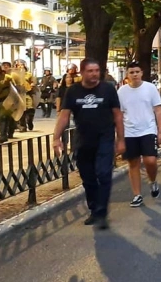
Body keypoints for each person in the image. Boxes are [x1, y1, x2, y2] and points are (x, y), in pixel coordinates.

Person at [53, 59, 124, 229]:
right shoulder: (73, 91)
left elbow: (117, 115)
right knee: (88, 178)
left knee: (103, 173)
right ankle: (94, 209)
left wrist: (121, 139)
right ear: (82, 72)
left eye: (97, 70)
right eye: (90, 71)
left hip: (105, 138)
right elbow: (64, 116)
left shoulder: (108, 89)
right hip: (83, 140)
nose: (94, 74)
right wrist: (56, 138)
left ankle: (101, 213)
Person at [117, 61, 161, 207]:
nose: (135, 74)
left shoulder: (150, 88)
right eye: (131, 72)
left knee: (150, 161)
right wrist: (119, 137)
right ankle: (137, 195)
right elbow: (119, 114)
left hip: (148, 130)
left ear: (142, 73)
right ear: (127, 75)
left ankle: (153, 180)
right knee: (133, 163)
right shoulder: (121, 91)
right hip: (129, 131)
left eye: (137, 71)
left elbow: (158, 110)